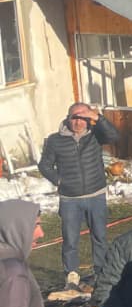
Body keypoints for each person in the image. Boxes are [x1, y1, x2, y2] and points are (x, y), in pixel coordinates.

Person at [37, 102, 119, 289]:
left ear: (88, 119)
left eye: (83, 118)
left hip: (96, 195)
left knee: (99, 236)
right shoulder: (55, 140)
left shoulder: (96, 135)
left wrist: (98, 117)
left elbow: (114, 136)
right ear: (68, 118)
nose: (78, 122)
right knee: (70, 239)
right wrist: (58, 180)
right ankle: (71, 276)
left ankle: (100, 273)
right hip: (69, 200)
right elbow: (44, 165)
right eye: (75, 117)